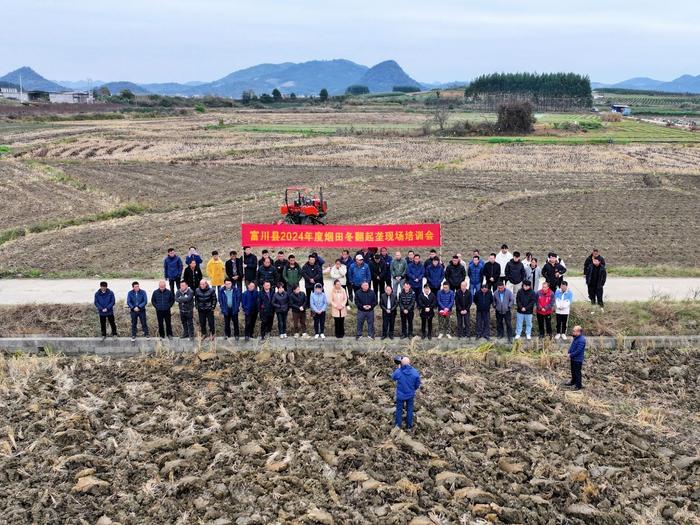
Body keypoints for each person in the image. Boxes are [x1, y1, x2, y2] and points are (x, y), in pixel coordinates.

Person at [392, 356, 421, 430]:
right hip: (410, 394)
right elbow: (417, 384)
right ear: (409, 363)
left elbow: (393, 377)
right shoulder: (415, 372)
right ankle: (409, 426)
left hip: (400, 395)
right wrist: (413, 389)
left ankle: (398, 426)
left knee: (399, 410)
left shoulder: (399, 371)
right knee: (410, 409)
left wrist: (398, 368)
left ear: (401, 363)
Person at [566, 326, 586, 390]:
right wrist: (569, 352)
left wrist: (570, 355)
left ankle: (578, 385)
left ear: (578, 332)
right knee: (573, 371)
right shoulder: (576, 338)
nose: (573, 332)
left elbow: (578, 351)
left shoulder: (582, 340)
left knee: (577, 372)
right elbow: (572, 346)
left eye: (574, 331)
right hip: (573, 358)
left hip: (578, 359)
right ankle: (573, 381)